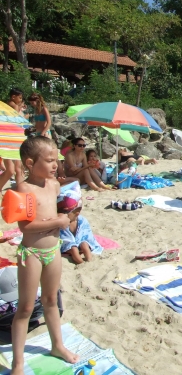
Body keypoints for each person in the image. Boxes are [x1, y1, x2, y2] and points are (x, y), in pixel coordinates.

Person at [11, 136, 79, 373]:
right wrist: (59, 221)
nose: (55, 165)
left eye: (56, 160)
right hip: (31, 254)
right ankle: (18, 362)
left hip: (53, 251)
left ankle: (57, 345)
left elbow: (56, 215)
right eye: (49, 161)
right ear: (30, 163)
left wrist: (66, 218)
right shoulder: (23, 188)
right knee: (26, 308)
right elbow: (25, 227)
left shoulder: (54, 185)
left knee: (51, 300)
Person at [58, 181, 102, 264]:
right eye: (74, 211)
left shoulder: (81, 220)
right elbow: (62, 238)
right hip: (68, 244)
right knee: (74, 249)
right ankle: (81, 263)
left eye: (79, 210)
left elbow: (86, 233)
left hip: (81, 240)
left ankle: (89, 261)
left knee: (85, 245)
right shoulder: (62, 222)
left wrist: (83, 241)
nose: (77, 213)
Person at [0, 88, 26, 189]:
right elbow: (15, 119)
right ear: (13, 97)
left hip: (5, 137)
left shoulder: (5, 104)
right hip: (12, 137)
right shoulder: (13, 105)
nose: (21, 100)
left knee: (11, 169)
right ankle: (21, 188)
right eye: (20, 98)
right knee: (17, 167)